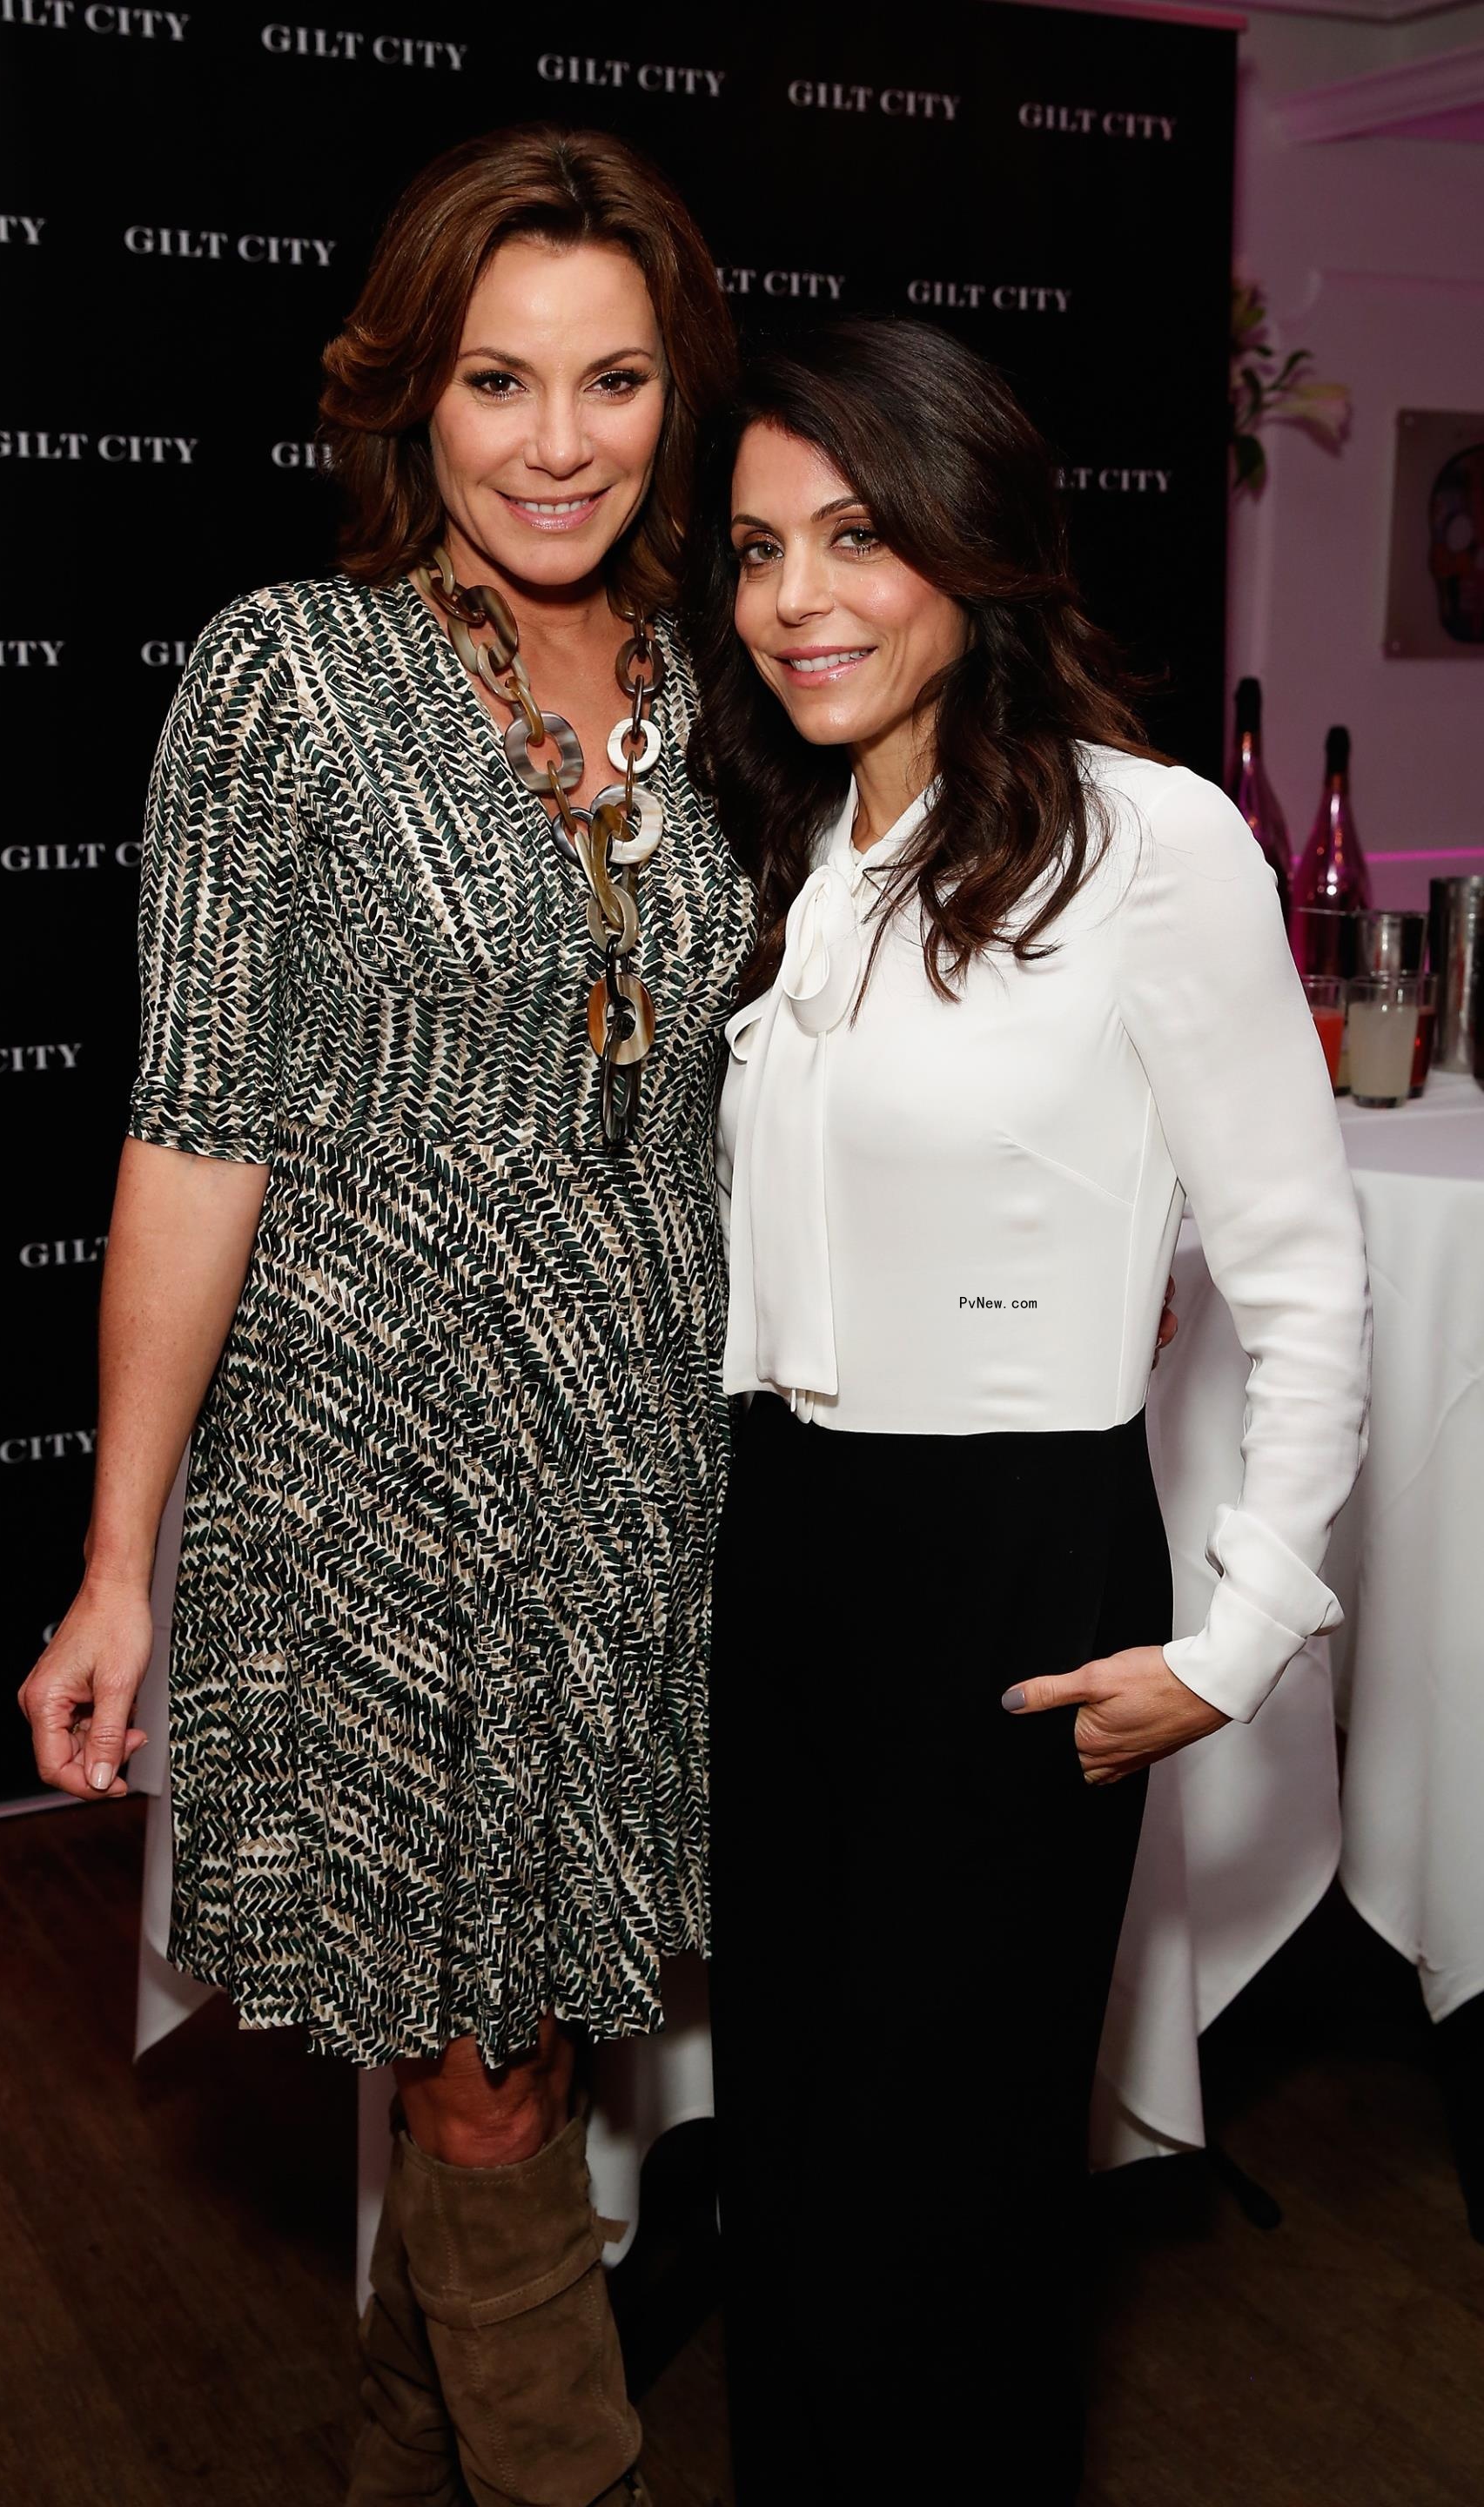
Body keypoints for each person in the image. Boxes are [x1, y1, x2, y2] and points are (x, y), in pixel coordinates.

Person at [17, 125, 754, 2507]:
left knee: (517, 2025)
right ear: (409, 397)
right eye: (497, 380)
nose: (557, 441)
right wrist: (121, 1558)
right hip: (373, 1472)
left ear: (677, 395)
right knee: (479, 2064)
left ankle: (395, 2471)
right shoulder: (288, 679)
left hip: (644, 1468)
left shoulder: (735, 679)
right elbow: (194, 1132)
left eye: (615, 379)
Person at [689, 320, 1373, 2502]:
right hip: (780, 1552)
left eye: (857, 537)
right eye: (757, 549)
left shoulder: (1148, 842)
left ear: (974, 550)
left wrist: (1244, 1631)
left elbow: (1303, 1279)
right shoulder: (793, 850)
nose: (799, 598)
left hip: (1008, 1576)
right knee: (783, 2171)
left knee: (943, 2211)